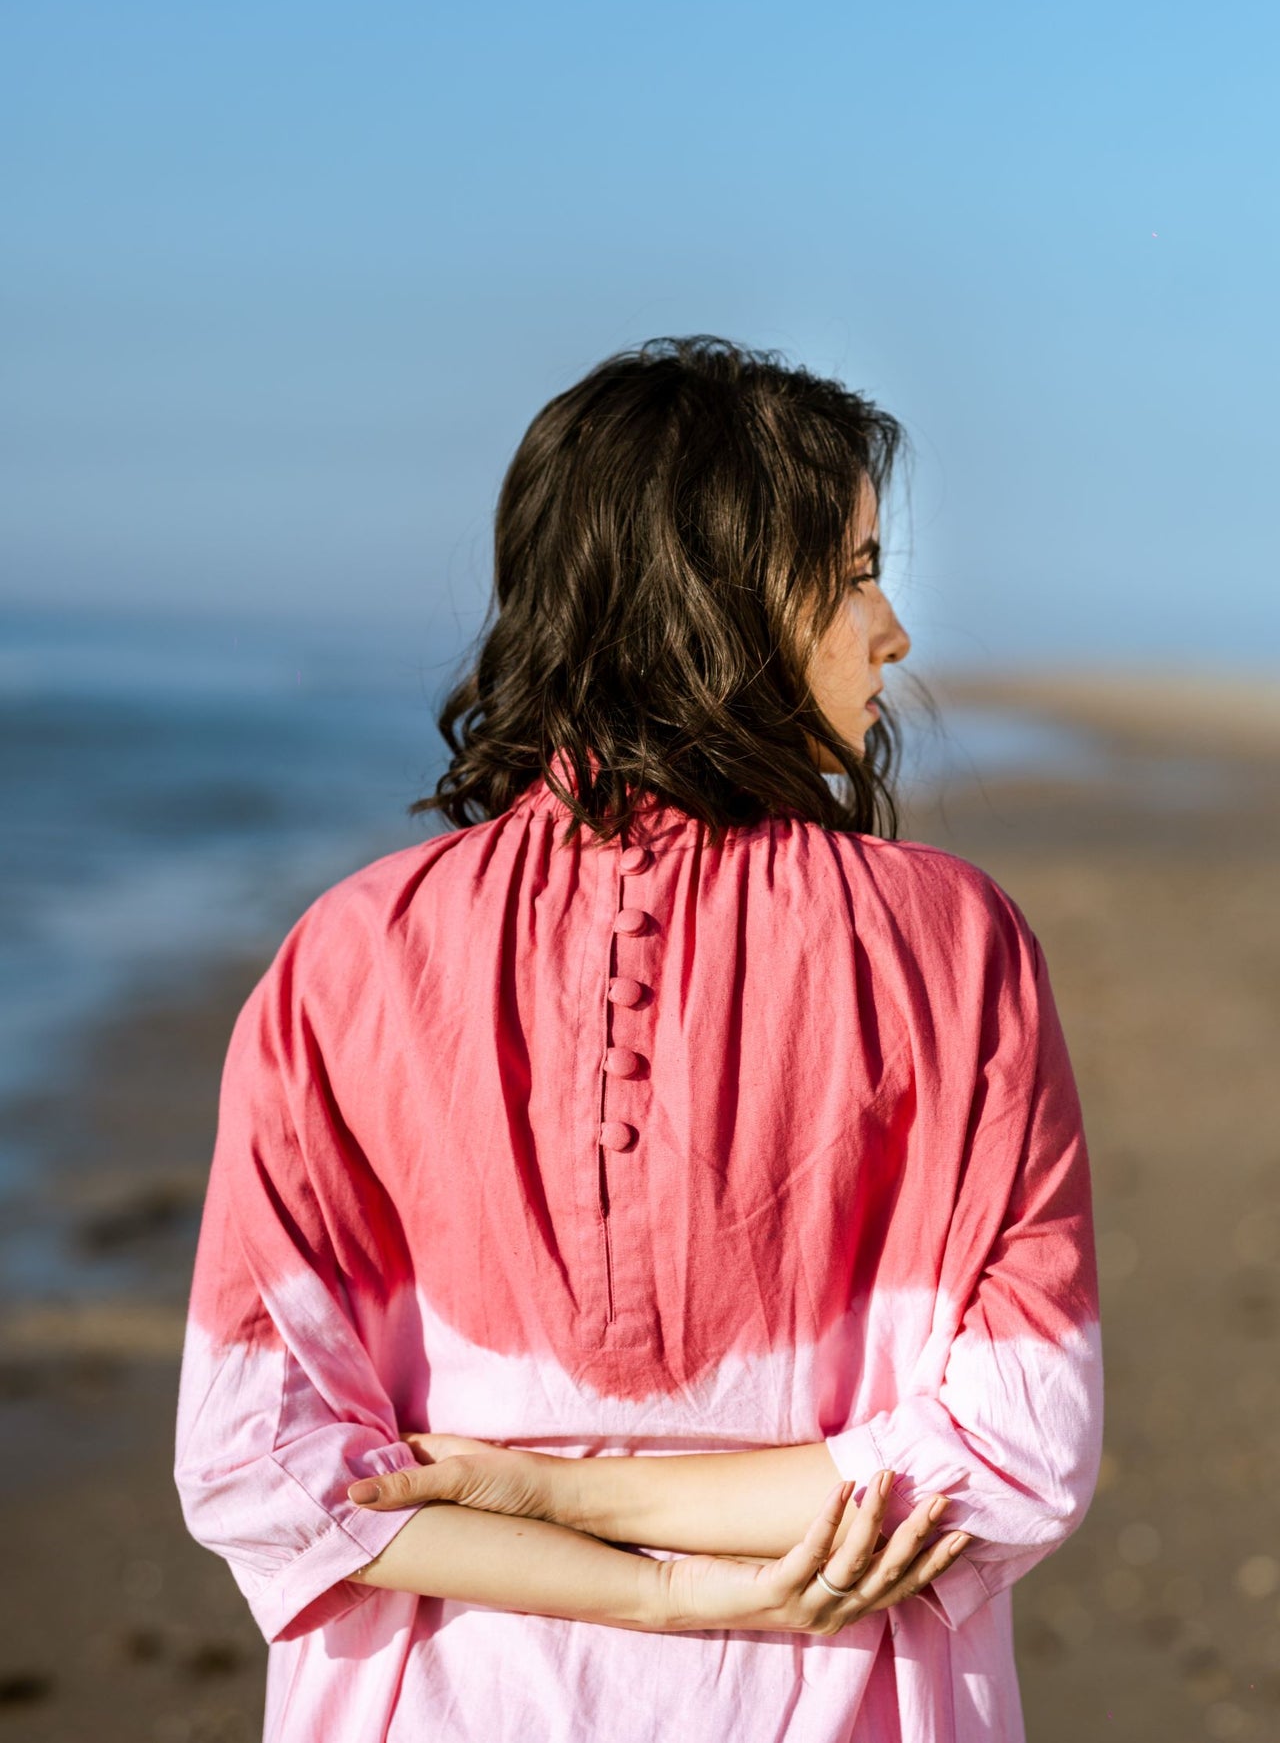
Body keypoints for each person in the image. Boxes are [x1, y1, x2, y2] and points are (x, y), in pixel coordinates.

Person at [174, 335, 1103, 1742]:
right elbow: (1014, 1450)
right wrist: (680, 1580)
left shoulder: (346, 956)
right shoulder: (952, 949)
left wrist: (563, 1502)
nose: (893, 629)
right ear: (721, 599)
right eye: (851, 573)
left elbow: (257, 1466)